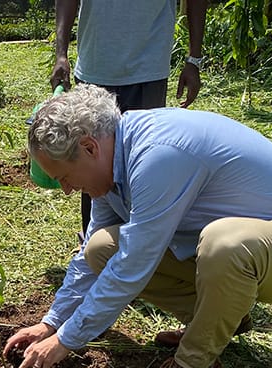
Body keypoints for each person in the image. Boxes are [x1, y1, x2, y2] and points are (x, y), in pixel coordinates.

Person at [3, 84, 272, 368]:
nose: (66, 189)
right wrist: (51, 324)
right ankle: (215, 323)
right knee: (101, 248)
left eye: (64, 177)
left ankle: (193, 367)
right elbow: (95, 255)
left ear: (89, 147)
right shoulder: (112, 162)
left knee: (224, 244)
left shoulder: (157, 155)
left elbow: (134, 264)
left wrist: (66, 340)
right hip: (254, 250)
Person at [50, 0, 207, 243]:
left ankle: (141, 246)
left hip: (149, 70)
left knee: (144, 164)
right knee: (89, 161)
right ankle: (94, 247)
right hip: (94, 68)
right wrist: (61, 53)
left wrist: (194, 59)